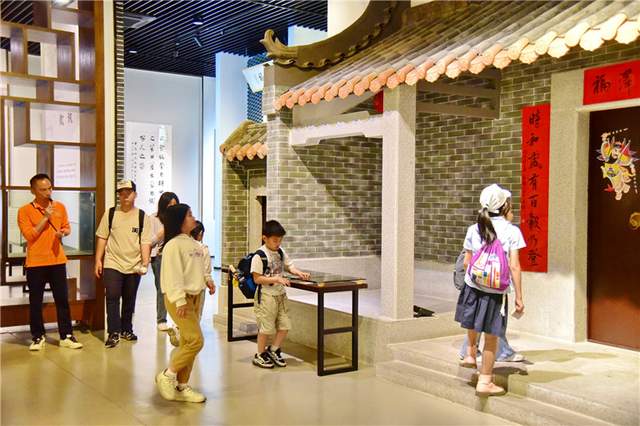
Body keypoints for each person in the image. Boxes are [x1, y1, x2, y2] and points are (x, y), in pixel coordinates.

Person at [455, 184, 525, 397]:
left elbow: (466, 262)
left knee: (473, 321)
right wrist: (519, 297)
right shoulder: (511, 231)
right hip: (495, 293)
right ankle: (485, 381)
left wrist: (476, 280)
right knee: (492, 337)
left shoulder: (473, 229)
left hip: (472, 286)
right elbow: (514, 266)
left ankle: (470, 353)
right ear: (505, 206)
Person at [155, 204, 214, 403]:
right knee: (196, 341)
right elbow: (173, 275)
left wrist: (207, 280)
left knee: (188, 342)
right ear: (180, 220)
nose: (193, 217)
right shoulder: (173, 245)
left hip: (196, 296)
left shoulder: (194, 244)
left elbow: (197, 269)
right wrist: (180, 300)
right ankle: (168, 375)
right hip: (179, 299)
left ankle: (182, 386)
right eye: (189, 215)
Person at [17, 174, 83, 351]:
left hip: (57, 260)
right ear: (33, 191)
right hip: (36, 263)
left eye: (50, 188)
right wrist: (45, 217)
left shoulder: (59, 206)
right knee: (35, 301)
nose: (48, 192)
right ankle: (38, 336)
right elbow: (30, 235)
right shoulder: (24, 210)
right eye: (43, 190)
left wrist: (64, 233)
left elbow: (67, 227)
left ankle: (66, 336)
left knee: (62, 300)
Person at [95, 180, 152, 348]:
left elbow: (145, 241)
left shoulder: (142, 216)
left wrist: (145, 262)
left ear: (135, 194)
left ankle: (126, 329)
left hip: (134, 264)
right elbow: (102, 237)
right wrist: (98, 260)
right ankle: (113, 332)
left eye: (128, 192)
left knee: (129, 298)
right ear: (118, 195)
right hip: (112, 262)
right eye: (121, 193)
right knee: (112, 296)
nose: (125, 195)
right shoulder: (111, 213)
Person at [250, 220, 310, 369]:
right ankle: (260, 354)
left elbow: (289, 266)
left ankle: (274, 350)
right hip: (266, 296)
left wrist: (299, 273)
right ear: (265, 238)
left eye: (280, 240)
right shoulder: (259, 256)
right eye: (275, 240)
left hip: (281, 295)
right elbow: (257, 279)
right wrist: (276, 279)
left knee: (285, 324)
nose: (278, 243)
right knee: (266, 327)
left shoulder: (280, 252)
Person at [150, 192, 179, 334]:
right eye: (169, 205)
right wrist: (162, 232)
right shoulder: (153, 219)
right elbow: (149, 242)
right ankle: (161, 320)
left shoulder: (178, 219)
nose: (172, 208)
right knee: (162, 289)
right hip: (159, 257)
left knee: (177, 288)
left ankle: (178, 319)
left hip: (175, 256)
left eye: (174, 205)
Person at [189, 220, 215, 320]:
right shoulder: (203, 248)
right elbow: (206, 271)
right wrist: (211, 284)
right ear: (200, 233)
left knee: (184, 316)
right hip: (199, 287)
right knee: (196, 315)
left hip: (184, 287)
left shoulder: (182, 246)